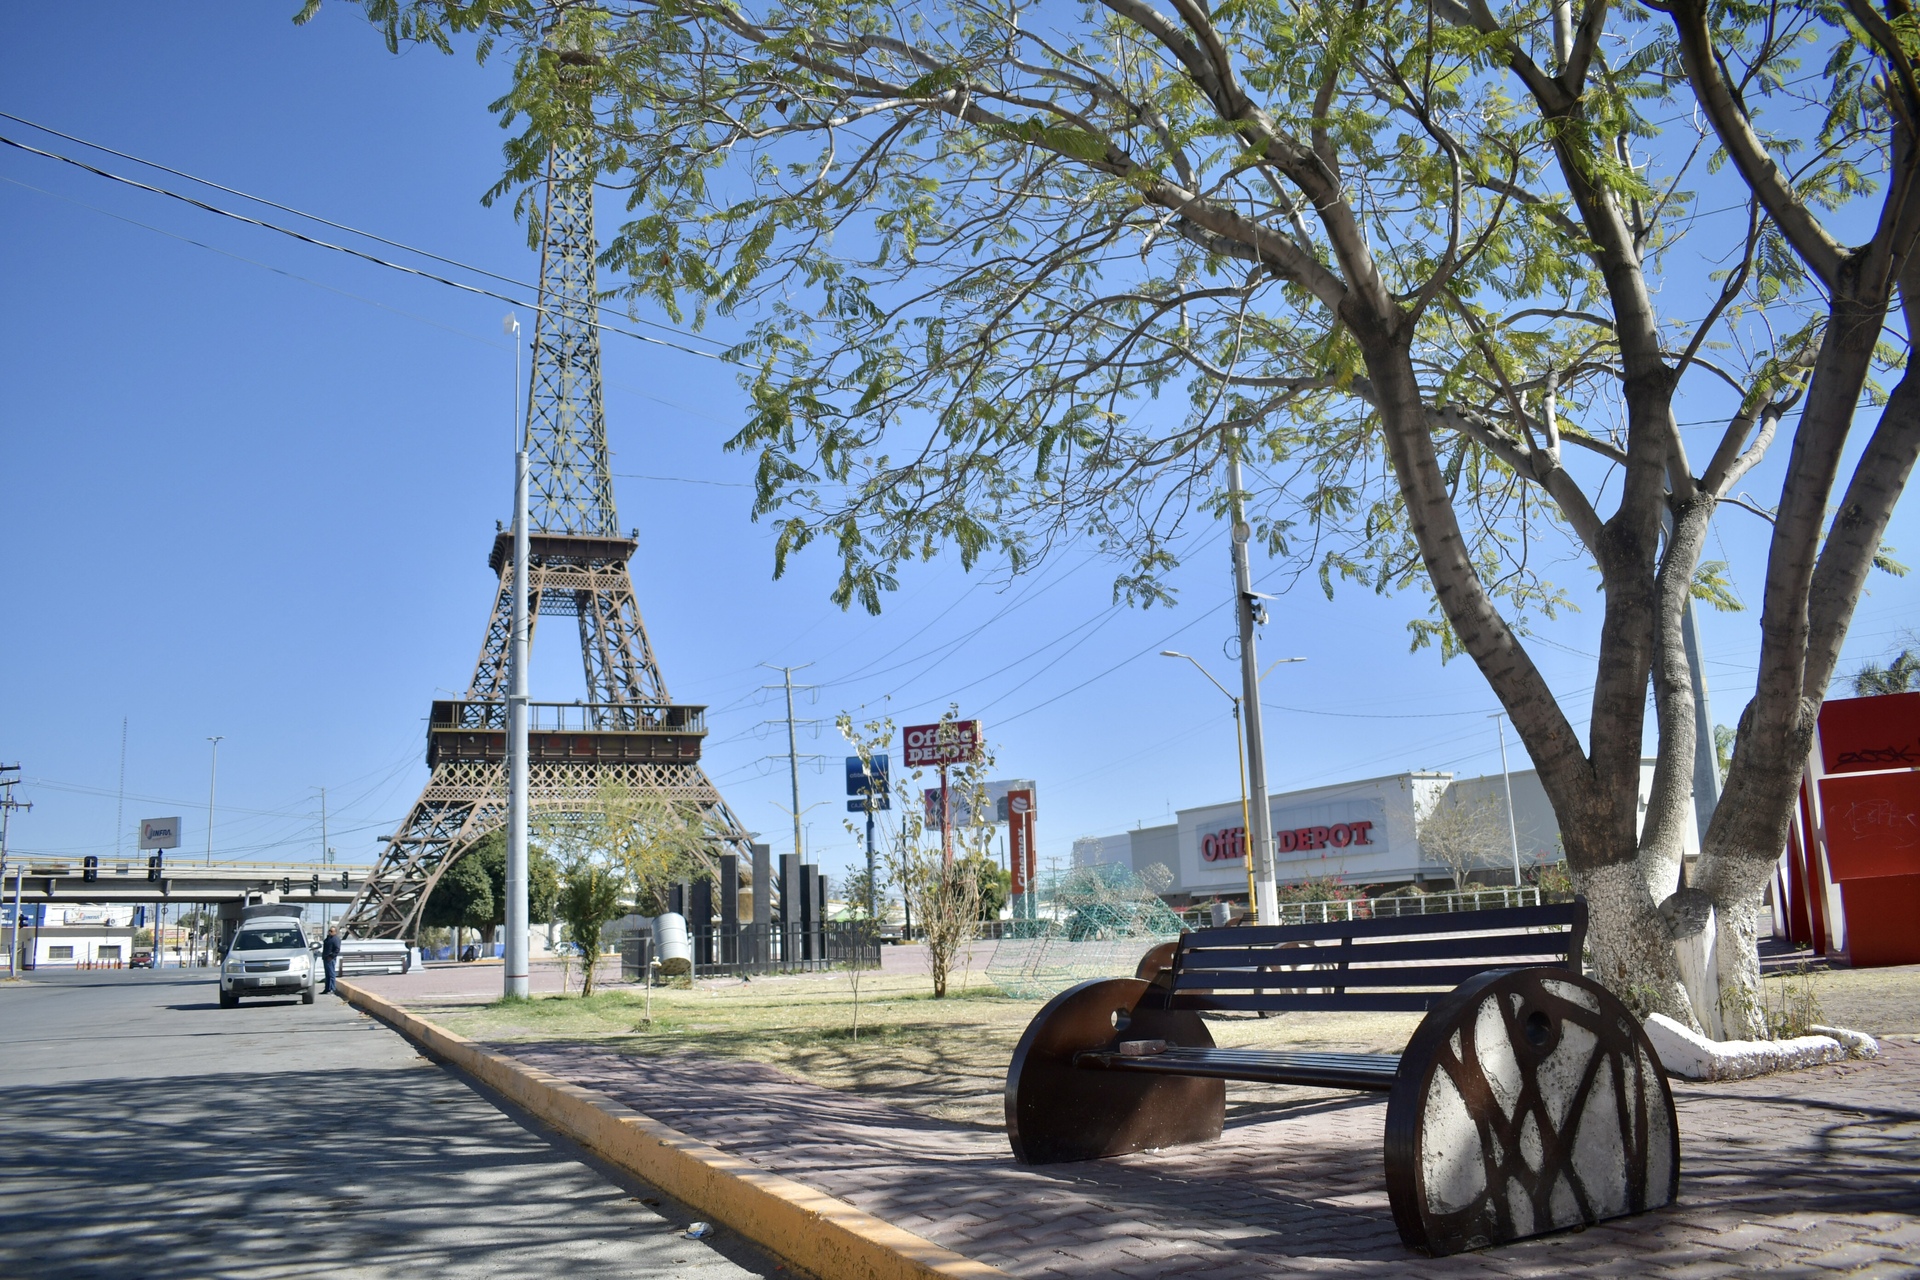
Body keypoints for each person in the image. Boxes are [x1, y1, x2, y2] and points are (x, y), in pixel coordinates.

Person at [321, 927, 341, 994]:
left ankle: (332, 989)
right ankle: (327, 989)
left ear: (335, 932)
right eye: (329, 931)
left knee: (331, 974)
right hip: (325, 958)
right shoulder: (328, 939)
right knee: (327, 974)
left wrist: (331, 956)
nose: (330, 932)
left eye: (331, 931)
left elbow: (337, 949)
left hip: (330, 959)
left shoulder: (335, 939)